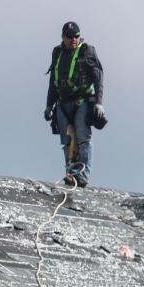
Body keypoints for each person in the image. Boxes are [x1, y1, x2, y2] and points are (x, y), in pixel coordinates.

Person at [44, 21, 106, 188]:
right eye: (70, 37)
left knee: (83, 138)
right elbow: (52, 81)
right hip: (62, 104)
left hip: (82, 102)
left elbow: (98, 77)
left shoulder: (87, 51)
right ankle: (71, 174)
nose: (74, 40)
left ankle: (83, 175)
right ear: (63, 37)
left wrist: (99, 103)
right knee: (66, 141)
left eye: (76, 36)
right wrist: (49, 105)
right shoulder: (57, 53)